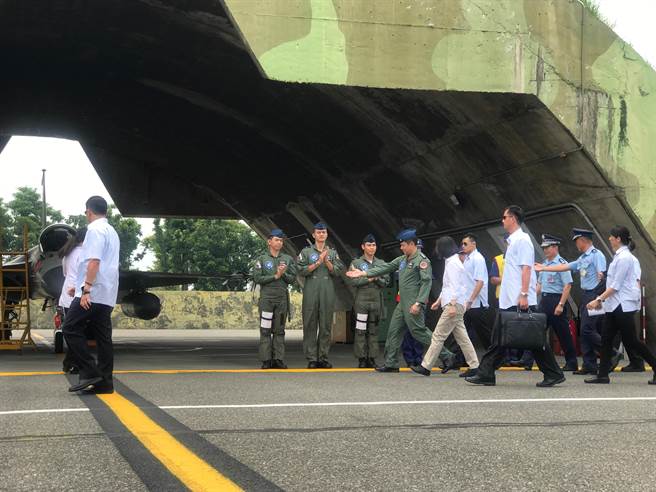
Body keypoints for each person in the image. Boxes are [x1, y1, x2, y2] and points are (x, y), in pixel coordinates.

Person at [465, 205, 565, 387]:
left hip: (519, 299)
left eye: (504, 217)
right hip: (510, 299)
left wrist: (524, 294)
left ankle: (553, 373)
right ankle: (486, 373)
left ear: (513, 218)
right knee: (501, 338)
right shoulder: (513, 241)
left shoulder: (523, 240)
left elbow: (526, 268)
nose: (502, 221)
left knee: (532, 337)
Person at [346, 229, 452, 372]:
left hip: (413, 302)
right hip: (402, 303)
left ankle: (447, 356)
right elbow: (386, 267)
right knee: (394, 331)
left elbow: (426, 283)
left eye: (403, 245)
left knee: (419, 332)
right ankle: (391, 363)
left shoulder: (422, 261)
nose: (401, 248)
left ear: (411, 244)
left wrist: (419, 303)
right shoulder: (402, 259)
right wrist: (363, 273)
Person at [534, 228, 624, 375]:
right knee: (584, 330)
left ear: (583, 240)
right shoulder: (583, 258)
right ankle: (589, 364)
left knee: (587, 329)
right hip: (586, 295)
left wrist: (598, 298)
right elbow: (566, 267)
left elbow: (603, 277)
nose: (576, 244)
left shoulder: (596, 255)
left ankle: (611, 353)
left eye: (576, 241)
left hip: (594, 295)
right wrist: (544, 268)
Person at [584, 226, 656, 385]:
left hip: (622, 306)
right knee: (606, 340)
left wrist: (598, 300)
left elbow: (616, 286)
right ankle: (602, 375)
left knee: (632, 341)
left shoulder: (625, 258)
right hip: (614, 305)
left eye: (612, 236)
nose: (609, 239)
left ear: (618, 239)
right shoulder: (620, 257)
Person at [63, 196, 120, 394]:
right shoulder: (112, 231)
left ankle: (89, 371)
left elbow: (94, 261)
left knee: (70, 327)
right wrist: (80, 286)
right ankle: (105, 383)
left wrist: (86, 289)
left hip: (92, 292)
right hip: (107, 292)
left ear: (89, 211)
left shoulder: (94, 230)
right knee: (103, 337)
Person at [411, 237, 479, 377]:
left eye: (438, 246)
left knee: (438, 336)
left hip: (453, 305)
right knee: (463, 338)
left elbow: (456, 286)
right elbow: (448, 286)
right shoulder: (453, 261)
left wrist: (452, 304)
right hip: (456, 304)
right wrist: (439, 300)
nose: (436, 249)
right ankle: (474, 366)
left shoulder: (453, 263)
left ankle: (426, 366)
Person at [525, 234, 578, 372]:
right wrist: (529, 298)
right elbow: (539, 285)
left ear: (555, 247)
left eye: (547, 247)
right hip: (544, 301)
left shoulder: (561, 263)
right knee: (536, 331)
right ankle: (527, 360)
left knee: (563, 334)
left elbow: (568, 285)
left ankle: (571, 362)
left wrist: (561, 304)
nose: (545, 250)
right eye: (544, 248)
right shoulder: (545, 264)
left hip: (556, 301)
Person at [297, 222, 344, 368]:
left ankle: (323, 357)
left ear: (327, 234)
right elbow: (301, 270)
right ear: (314, 235)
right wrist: (318, 262)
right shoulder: (306, 252)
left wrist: (327, 261)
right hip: (311, 290)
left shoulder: (332, 253)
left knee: (325, 325)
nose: (321, 234)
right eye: (318, 232)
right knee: (310, 324)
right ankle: (312, 358)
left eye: (323, 232)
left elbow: (338, 271)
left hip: (327, 290)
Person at [252, 229, 296, 369]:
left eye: (281, 240)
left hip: (281, 299)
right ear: (269, 241)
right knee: (265, 330)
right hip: (267, 299)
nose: (279, 243)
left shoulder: (288, 259)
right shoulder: (261, 259)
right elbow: (257, 278)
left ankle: (278, 359)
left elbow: (292, 279)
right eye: (276, 240)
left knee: (279, 330)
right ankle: (266, 360)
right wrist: (275, 276)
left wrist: (283, 274)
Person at [345, 234, 390, 368]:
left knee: (373, 330)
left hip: (376, 301)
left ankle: (371, 358)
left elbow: (386, 281)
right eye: (369, 245)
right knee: (360, 329)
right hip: (362, 301)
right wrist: (370, 278)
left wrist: (376, 278)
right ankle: (361, 358)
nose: (372, 247)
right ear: (363, 247)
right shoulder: (356, 263)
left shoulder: (381, 263)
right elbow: (353, 281)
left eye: (374, 245)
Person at [449, 233, 492, 372]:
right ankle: (458, 360)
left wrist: (471, 300)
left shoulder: (478, 259)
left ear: (474, 244)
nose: (463, 246)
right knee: (461, 331)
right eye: (462, 244)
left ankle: (495, 357)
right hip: (466, 303)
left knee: (483, 332)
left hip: (476, 303)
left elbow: (480, 282)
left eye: (465, 244)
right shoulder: (467, 258)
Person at [58, 227, 87, 374]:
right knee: (78, 332)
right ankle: (74, 363)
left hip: (67, 295)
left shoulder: (68, 253)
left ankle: (70, 362)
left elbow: (65, 274)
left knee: (73, 331)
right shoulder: (85, 254)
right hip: (78, 294)